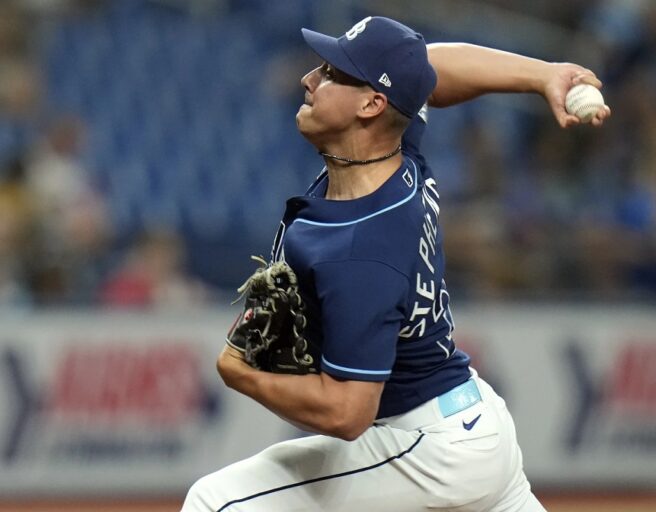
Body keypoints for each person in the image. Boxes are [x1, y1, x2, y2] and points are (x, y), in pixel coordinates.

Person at [183, 16, 609, 512]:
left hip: (429, 451)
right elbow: (427, 69)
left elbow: (348, 414)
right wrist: (542, 75)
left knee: (216, 502)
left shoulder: (362, 249)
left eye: (331, 73)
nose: (309, 80)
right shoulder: (396, 150)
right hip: (470, 420)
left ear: (371, 104)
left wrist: (242, 373)